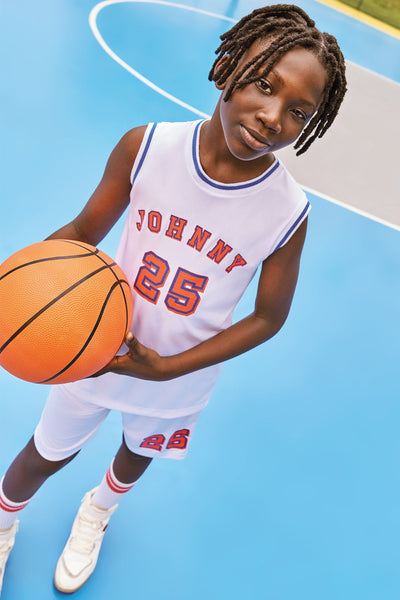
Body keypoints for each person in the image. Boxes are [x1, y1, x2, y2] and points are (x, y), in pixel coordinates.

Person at [0, 4, 347, 595]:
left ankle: (97, 511)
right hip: (98, 351)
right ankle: (4, 522)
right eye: (265, 85)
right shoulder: (148, 147)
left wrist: (168, 369)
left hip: (179, 373)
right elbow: (81, 232)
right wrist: (15, 292)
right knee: (44, 453)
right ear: (229, 68)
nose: (272, 117)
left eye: (299, 111)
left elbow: (269, 316)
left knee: (137, 454)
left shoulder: (287, 211)